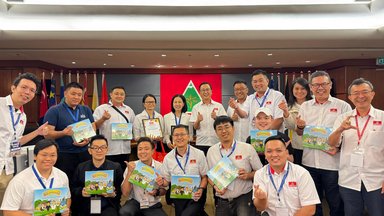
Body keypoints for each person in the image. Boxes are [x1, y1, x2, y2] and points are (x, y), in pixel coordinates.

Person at [296, 70, 351, 216]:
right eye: (316, 85)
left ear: (330, 85)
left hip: (332, 163)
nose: (320, 88)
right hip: (309, 162)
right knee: (313, 202)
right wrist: (300, 127)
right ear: (311, 87)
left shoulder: (343, 106)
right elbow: (300, 133)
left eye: (324, 84)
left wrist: (338, 147)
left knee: (336, 203)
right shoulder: (305, 106)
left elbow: (349, 134)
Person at [328, 78, 384, 216]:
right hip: (349, 179)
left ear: (372, 94)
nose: (360, 96)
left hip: (376, 180)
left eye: (365, 92)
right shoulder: (343, 118)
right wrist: (340, 129)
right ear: (350, 97)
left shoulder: (382, 117)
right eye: (356, 93)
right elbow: (332, 143)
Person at [0, 72, 48, 211]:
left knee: (5, 207)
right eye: (24, 87)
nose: (27, 92)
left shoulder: (22, 116)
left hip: (7, 169)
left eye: (32, 90)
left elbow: (17, 141)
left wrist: (37, 133)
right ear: (13, 88)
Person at [207, 116, 262, 216]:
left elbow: (261, 172)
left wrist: (248, 175)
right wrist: (215, 186)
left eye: (227, 127)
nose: (223, 131)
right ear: (215, 132)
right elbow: (210, 176)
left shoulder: (247, 148)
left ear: (233, 128)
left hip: (243, 197)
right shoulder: (211, 151)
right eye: (219, 128)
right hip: (222, 199)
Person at [253, 135, 320, 216]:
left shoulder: (301, 173)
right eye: (269, 151)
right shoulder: (260, 174)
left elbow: (310, 209)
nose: (274, 155)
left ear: (286, 153)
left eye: (278, 150)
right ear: (265, 155)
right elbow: (260, 208)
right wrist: (261, 199)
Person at [1, 139, 71, 216]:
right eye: (44, 155)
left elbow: (67, 198)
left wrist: (65, 210)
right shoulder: (19, 181)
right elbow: (8, 212)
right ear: (34, 156)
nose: (48, 159)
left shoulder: (62, 175)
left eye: (52, 155)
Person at [43, 82, 96, 182]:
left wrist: (88, 140)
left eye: (79, 95)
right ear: (65, 93)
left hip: (84, 153)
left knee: (86, 182)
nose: (76, 97)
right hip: (64, 155)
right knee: (66, 182)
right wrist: (63, 133)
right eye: (73, 94)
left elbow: (93, 128)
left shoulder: (86, 109)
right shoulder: (54, 110)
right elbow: (47, 135)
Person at [160, 125, 208, 216]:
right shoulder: (168, 158)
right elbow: (166, 181)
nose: (179, 137)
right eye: (176, 135)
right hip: (179, 196)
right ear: (172, 138)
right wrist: (160, 181)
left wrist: (201, 189)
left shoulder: (199, 154)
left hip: (196, 195)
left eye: (182, 134)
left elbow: (204, 177)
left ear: (188, 136)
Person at [71, 135, 123, 216]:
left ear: (107, 150)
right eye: (95, 147)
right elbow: (73, 188)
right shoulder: (81, 167)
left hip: (107, 205)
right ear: (89, 150)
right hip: (86, 204)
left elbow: (120, 189)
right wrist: (81, 192)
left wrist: (113, 193)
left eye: (103, 147)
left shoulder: (115, 167)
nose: (99, 150)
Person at [119, 137, 167, 216]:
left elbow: (164, 191)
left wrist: (157, 192)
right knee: (124, 212)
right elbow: (125, 193)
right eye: (140, 149)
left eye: (146, 149)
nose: (143, 152)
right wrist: (130, 172)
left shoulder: (160, 167)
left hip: (152, 204)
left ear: (152, 151)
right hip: (135, 202)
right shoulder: (132, 166)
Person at [93, 86, 135, 170]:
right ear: (111, 95)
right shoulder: (101, 109)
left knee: (123, 175)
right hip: (109, 150)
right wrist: (103, 118)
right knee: (109, 176)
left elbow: (134, 126)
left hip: (125, 149)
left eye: (122, 94)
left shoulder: (129, 110)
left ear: (124, 96)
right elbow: (94, 126)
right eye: (116, 94)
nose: (119, 96)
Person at [278, 77, 312, 165]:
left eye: (303, 88)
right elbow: (291, 126)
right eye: (296, 89)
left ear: (308, 89)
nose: (299, 91)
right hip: (296, 146)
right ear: (292, 90)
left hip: (313, 145)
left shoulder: (314, 104)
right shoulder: (288, 106)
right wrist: (286, 112)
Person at [190, 82, 227, 155]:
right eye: (203, 90)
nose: (205, 92)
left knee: (217, 165)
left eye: (207, 89)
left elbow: (225, 123)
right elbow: (195, 127)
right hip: (201, 143)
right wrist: (198, 120)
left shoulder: (219, 106)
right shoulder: (196, 107)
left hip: (217, 142)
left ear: (211, 91)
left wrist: (216, 118)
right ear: (200, 93)